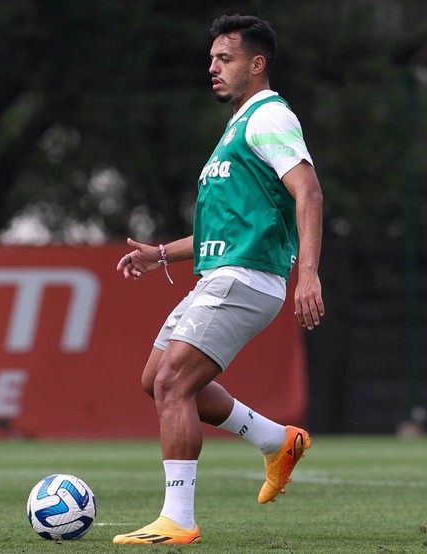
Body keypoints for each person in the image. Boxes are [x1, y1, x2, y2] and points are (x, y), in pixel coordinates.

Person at [112, 13, 325, 545]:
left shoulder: (269, 118)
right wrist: (161, 253)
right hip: (222, 272)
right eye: (211, 59)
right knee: (156, 379)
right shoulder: (237, 126)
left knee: (172, 383)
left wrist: (310, 275)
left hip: (248, 278)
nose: (213, 68)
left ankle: (179, 519)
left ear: (257, 64)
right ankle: (278, 441)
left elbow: (310, 192)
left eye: (225, 59)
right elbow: (221, 230)